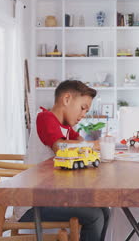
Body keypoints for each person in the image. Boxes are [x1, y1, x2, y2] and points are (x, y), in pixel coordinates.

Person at [18, 80, 110, 241]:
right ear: (66, 99)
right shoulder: (44, 117)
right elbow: (60, 147)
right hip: (33, 203)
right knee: (94, 215)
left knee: (104, 210)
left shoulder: (66, 128)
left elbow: (81, 144)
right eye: (82, 108)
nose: (83, 115)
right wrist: (93, 144)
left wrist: (95, 146)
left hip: (53, 197)